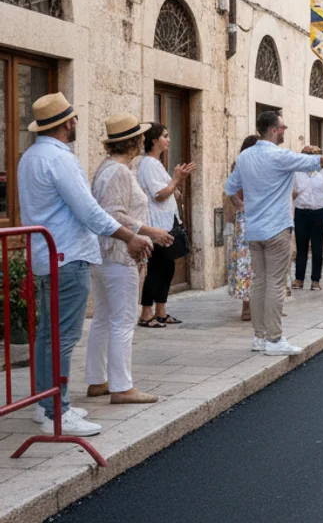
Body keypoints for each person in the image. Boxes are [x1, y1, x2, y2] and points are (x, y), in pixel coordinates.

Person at [17, 93, 153, 437]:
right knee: (62, 337)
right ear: (66, 124)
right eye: (73, 119)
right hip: (68, 255)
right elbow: (90, 211)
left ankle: (45, 402)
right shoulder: (60, 160)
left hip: (47, 255)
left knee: (48, 335)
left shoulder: (30, 156)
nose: (76, 123)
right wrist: (129, 237)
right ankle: (54, 410)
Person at [225, 112, 323, 356]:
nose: (285, 129)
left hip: (253, 229)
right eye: (282, 126)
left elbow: (230, 187)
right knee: (274, 283)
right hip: (276, 228)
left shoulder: (245, 156)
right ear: (274, 130)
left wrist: (242, 206)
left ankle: (259, 337)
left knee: (259, 282)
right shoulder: (280, 156)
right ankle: (274, 340)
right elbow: (317, 162)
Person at [86, 114, 175, 406]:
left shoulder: (107, 169)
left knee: (103, 319)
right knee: (123, 320)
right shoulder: (119, 172)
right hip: (119, 255)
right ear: (134, 141)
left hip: (105, 254)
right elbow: (114, 214)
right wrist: (150, 231)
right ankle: (122, 387)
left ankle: (98, 380)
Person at [136, 122, 193, 327]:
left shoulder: (156, 164)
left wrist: (179, 180)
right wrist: (176, 179)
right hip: (158, 225)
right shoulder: (149, 164)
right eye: (165, 136)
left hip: (166, 222)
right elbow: (159, 194)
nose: (169, 139)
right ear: (154, 140)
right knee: (157, 268)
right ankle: (146, 313)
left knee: (167, 267)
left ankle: (160, 311)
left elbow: (170, 191)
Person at [291, 146, 323, 291]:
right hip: (301, 212)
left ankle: (316, 280)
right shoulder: (296, 172)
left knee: (317, 247)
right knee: (301, 247)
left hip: (320, 211)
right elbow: (292, 192)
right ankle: (299, 279)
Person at [225, 136, 257, 321]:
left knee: (254, 260)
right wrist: (240, 205)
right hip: (247, 218)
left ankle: (255, 304)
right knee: (247, 260)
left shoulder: (252, 165)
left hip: (254, 216)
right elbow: (231, 190)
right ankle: (247, 305)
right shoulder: (241, 166)